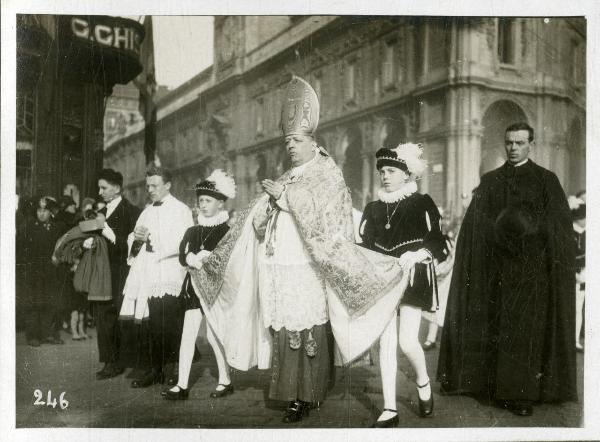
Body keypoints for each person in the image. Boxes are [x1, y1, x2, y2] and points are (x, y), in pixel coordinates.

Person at [188, 76, 411, 425]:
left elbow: (329, 219)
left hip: (308, 266)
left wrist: (285, 198)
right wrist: (264, 211)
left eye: (296, 140)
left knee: (306, 331)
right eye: (287, 141)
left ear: (313, 142)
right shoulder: (289, 175)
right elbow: (263, 220)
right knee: (284, 330)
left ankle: (306, 396)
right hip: (280, 265)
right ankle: (289, 393)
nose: (290, 146)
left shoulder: (328, 174)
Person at [437, 122, 577, 417]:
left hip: (532, 274)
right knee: (497, 329)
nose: (513, 148)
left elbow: (559, 226)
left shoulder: (546, 180)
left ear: (531, 144)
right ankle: (492, 387)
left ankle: (521, 395)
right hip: (497, 272)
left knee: (525, 334)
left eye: (519, 143)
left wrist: (532, 231)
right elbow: (475, 227)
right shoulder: (490, 181)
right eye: (509, 143)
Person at [359, 144, 447, 426]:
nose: (385, 175)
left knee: (407, 341)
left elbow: (437, 241)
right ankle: (389, 408)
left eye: (392, 171)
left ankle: (423, 382)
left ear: (407, 174)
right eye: (382, 171)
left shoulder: (421, 203)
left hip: (413, 276)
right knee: (386, 343)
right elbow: (365, 245)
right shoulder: (373, 209)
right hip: (383, 279)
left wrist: (419, 254)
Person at [163, 170, 236, 400]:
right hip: (193, 290)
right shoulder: (192, 231)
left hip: (215, 291)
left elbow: (229, 259)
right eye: (200, 201)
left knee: (215, 336)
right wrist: (191, 259)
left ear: (220, 203)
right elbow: (183, 255)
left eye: (208, 201)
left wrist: (209, 257)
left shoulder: (226, 231)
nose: (202, 205)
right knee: (188, 335)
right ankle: (182, 385)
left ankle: (225, 380)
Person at [121, 165, 193, 388]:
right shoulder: (147, 211)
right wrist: (137, 239)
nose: (150, 190)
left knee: (169, 323)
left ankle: (172, 370)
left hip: (170, 273)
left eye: (155, 185)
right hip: (149, 273)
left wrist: (154, 241)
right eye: (148, 186)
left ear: (168, 185)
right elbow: (134, 239)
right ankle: (155, 369)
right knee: (151, 324)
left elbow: (186, 241)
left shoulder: (181, 209)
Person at [93, 168, 141, 380]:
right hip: (102, 272)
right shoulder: (99, 212)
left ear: (117, 188)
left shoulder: (132, 212)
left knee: (120, 315)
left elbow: (134, 247)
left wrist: (110, 234)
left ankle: (122, 360)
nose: (100, 191)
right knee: (103, 315)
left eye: (104, 187)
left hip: (122, 271)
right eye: (99, 187)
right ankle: (109, 361)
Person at [23, 197, 64, 346]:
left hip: (51, 270)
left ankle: (48, 334)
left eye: (45, 211)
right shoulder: (30, 227)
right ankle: (33, 336)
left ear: (51, 213)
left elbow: (61, 246)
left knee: (50, 302)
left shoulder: (56, 227)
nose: (41, 214)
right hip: (34, 271)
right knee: (34, 302)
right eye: (39, 210)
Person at [569, 194, 585, 352]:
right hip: (570, 275)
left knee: (578, 308)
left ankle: (575, 340)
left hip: (583, 276)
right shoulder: (570, 232)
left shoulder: (586, 233)